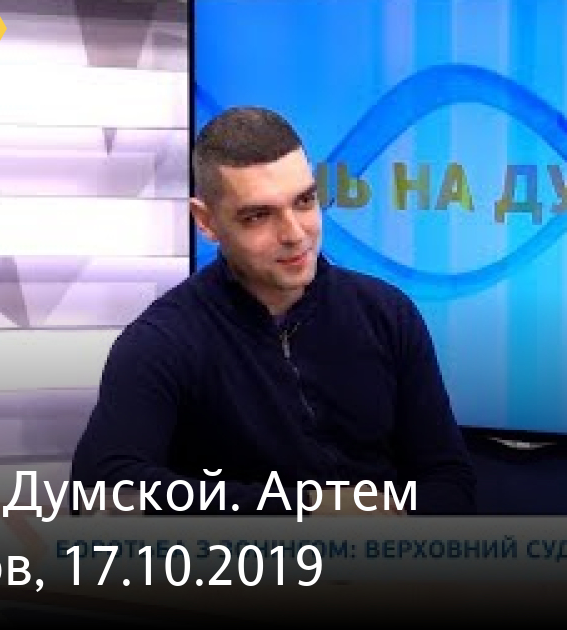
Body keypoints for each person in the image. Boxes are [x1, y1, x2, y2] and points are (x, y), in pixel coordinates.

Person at [70, 106, 476, 516]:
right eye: (258, 216)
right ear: (206, 221)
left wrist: (392, 526)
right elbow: (102, 493)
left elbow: (449, 479)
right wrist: (305, 511)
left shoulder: (388, 313)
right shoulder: (160, 343)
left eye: (305, 201)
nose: (295, 234)